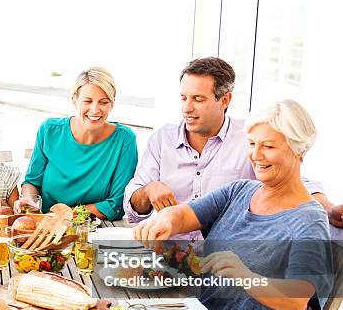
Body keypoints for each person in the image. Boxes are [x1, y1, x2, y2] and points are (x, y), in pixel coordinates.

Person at [133, 99, 333, 310]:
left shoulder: (309, 221)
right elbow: (186, 214)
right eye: (251, 144)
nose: (256, 155)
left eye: (269, 146)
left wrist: (245, 274)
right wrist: (165, 220)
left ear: (299, 150)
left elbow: (298, 297)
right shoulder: (241, 191)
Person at [124, 57, 343, 241]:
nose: (187, 108)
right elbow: (134, 207)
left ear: (225, 99)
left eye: (198, 99)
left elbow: (292, 180)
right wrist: (148, 190)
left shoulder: (250, 139)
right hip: (167, 255)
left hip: (221, 263)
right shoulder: (163, 138)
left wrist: (327, 208)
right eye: (183, 98)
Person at [19, 67, 138, 220]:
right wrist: (29, 200)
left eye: (103, 102)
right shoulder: (49, 131)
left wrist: (65, 214)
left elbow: (116, 204)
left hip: (93, 226)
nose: (95, 110)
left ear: (112, 103)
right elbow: (32, 182)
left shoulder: (124, 140)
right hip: (46, 225)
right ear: (75, 100)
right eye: (87, 101)